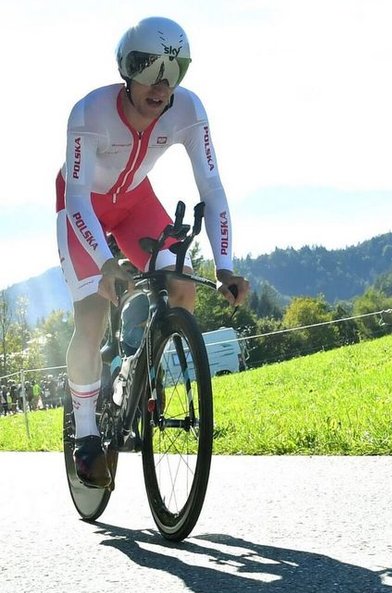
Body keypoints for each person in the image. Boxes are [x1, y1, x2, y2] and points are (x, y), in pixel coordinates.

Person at [56, 16, 249, 488]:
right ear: (128, 69)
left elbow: (213, 187)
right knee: (91, 314)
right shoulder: (89, 113)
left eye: (175, 70)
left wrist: (224, 266)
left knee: (182, 287)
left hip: (138, 204)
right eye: (149, 69)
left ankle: (136, 366)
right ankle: (85, 436)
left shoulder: (188, 110)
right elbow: (78, 197)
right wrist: (105, 263)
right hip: (85, 210)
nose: (161, 85)